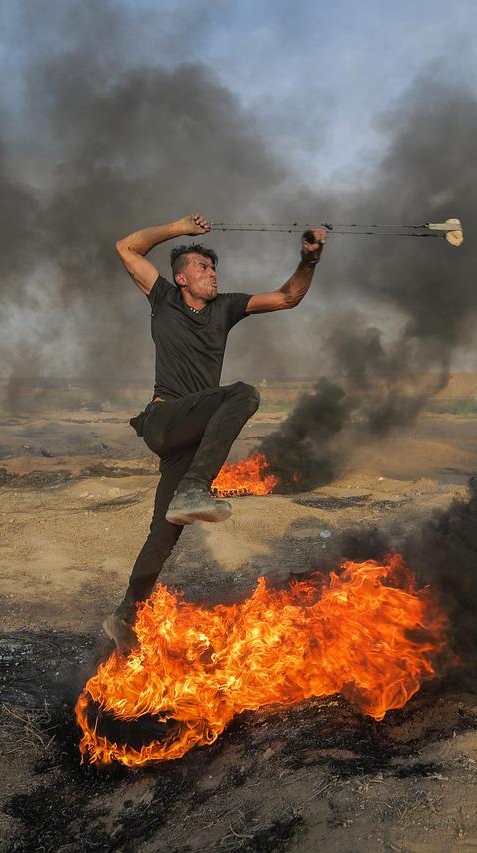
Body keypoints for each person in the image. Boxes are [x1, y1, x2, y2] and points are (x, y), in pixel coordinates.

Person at [102, 213, 326, 652]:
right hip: (165, 418)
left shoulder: (226, 307)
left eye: (213, 268)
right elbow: (126, 247)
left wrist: (309, 260)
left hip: (190, 433)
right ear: (181, 277)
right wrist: (178, 229)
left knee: (164, 534)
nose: (212, 273)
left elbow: (287, 297)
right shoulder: (163, 297)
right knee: (243, 394)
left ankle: (125, 614)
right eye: (202, 267)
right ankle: (194, 488)